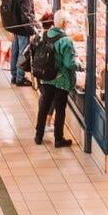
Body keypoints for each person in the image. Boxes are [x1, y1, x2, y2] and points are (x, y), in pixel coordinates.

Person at [31, 14, 76, 146]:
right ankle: (58, 138)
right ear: (63, 23)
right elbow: (69, 64)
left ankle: (38, 136)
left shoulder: (46, 34)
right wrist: (79, 65)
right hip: (61, 80)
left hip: (46, 78)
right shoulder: (66, 41)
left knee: (44, 106)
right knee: (60, 109)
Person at [0, 0, 39, 85]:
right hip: (22, 29)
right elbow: (26, 16)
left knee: (15, 51)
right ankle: (20, 78)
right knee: (23, 53)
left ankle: (14, 75)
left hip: (16, 26)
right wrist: (31, 30)